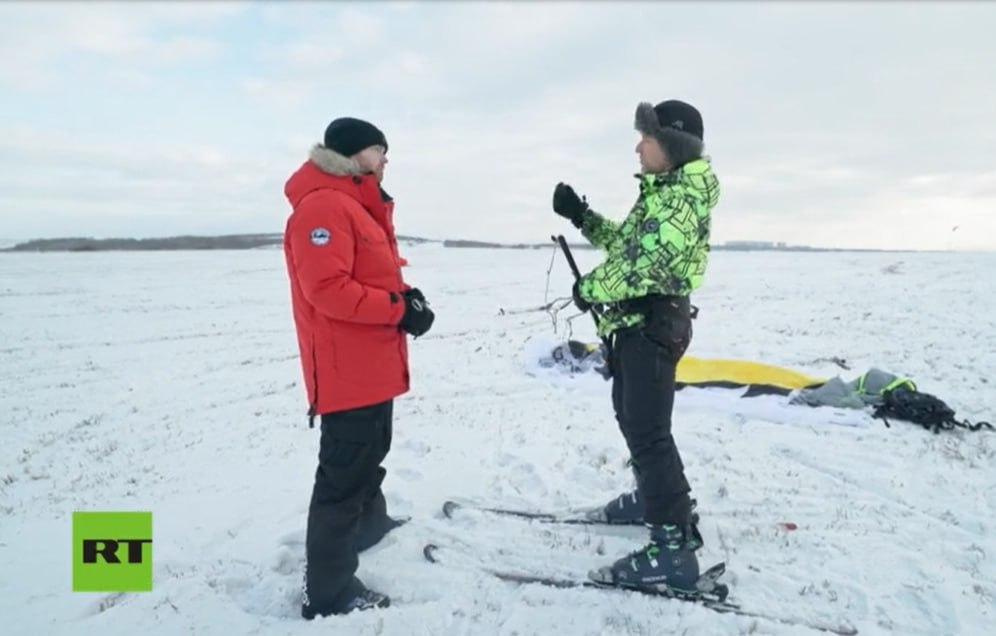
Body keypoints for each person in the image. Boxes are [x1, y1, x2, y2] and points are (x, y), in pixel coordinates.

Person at [551, 99, 720, 593]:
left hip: (650, 324)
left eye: (645, 138)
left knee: (649, 432)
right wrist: (582, 216)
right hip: (637, 324)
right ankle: (655, 498)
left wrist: (590, 289)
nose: (637, 147)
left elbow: (641, 270)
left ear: (670, 146)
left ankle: (672, 548)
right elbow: (628, 245)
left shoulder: (679, 202)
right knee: (635, 420)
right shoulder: (664, 193)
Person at [282, 116, 435, 618]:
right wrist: (397, 307)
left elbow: (370, 275)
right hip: (348, 371)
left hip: (374, 364)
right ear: (353, 154)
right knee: (342, 478)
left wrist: (407, 298)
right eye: (379, 150)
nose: (387, 160)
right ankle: (327, 592)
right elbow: (327, 291)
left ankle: (369, 526)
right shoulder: (323, 207)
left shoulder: (357, 205)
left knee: (372, 451)